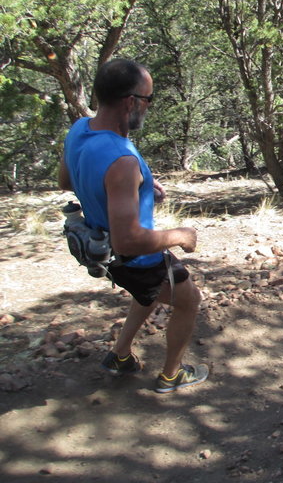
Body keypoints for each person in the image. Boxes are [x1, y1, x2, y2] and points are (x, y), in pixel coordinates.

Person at [58, 58, 208, 393]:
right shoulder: (122, 159)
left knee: (147, 294)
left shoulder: (80, 128)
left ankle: (120, 355)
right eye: (149, 99)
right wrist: (180, 236)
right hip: (134, 257)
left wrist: (139, 191)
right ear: (132, 102)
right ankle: (173, 374)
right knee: (188, 300)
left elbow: (67, 179)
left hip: (104, 253)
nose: (148, 107)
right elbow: (129, 240)